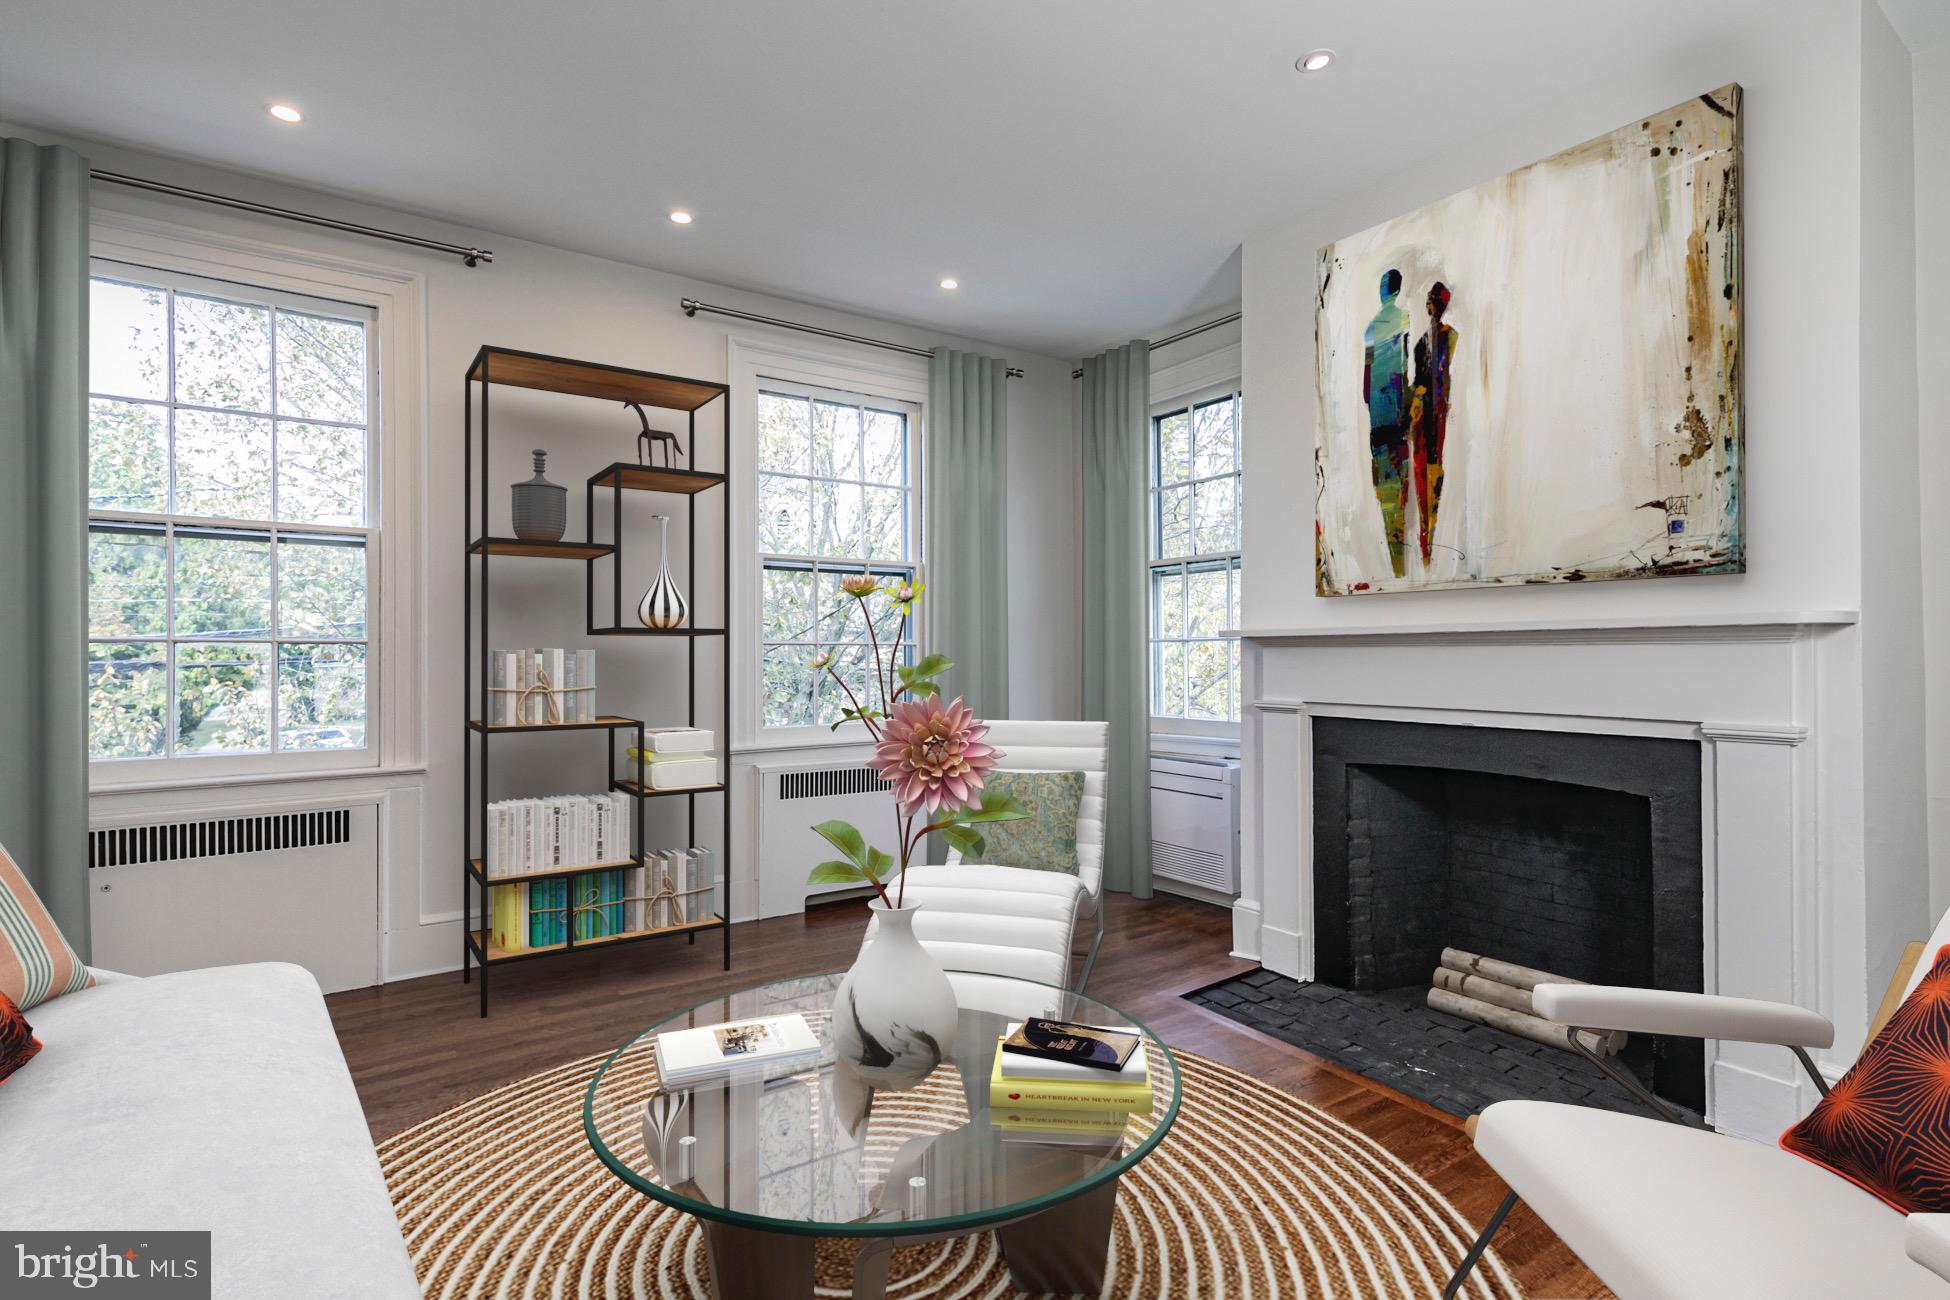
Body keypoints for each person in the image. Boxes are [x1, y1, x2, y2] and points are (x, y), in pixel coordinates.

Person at [1362, 269, 1412, 577]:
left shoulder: (1372, 326)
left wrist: (1371, 400)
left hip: (1382, 412)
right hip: (1392, 408)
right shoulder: (1402, 319)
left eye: (1383, 286)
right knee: (1393, 480)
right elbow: (1403, 362)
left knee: (1386, 482)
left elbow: (1368, 378)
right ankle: (1398, 561)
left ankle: (1397, 561)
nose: (1382, 291)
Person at [1409, 281, 1457, 566]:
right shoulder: (1421, 340)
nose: (1428, 303)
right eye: (1427, 298)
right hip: (1422, 412)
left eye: (1433, 299)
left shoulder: (1448, 335)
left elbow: (1439, 379)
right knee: (1420, 469)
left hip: (1436, 414)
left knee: (1433, 470)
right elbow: (1420, 380)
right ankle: (1425, 540)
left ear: (1441, 303)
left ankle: (1431, 536)